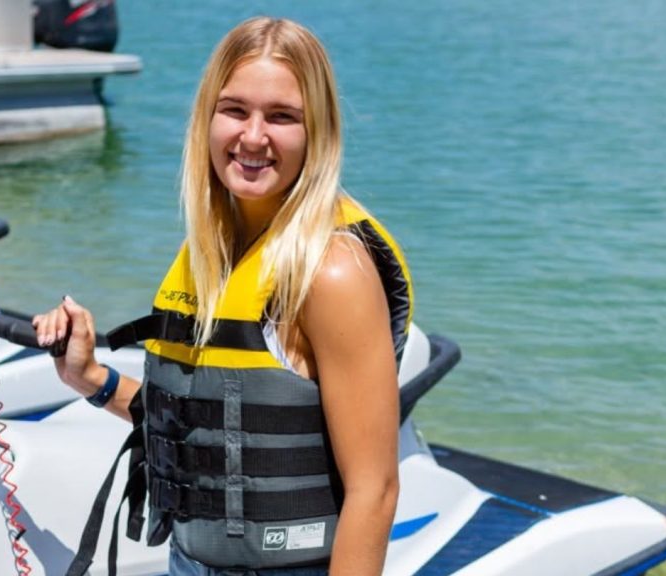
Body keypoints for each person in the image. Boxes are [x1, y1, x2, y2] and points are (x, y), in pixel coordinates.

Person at [33, 16, 413, 576]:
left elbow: (374, 490)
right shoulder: (211, 251)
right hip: (188, 562)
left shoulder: (332, 271)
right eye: (235, 110)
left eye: (281, 116)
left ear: (318, 130)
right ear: (207, 117)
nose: (253, 137)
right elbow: (206, 425)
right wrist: (90, 377)